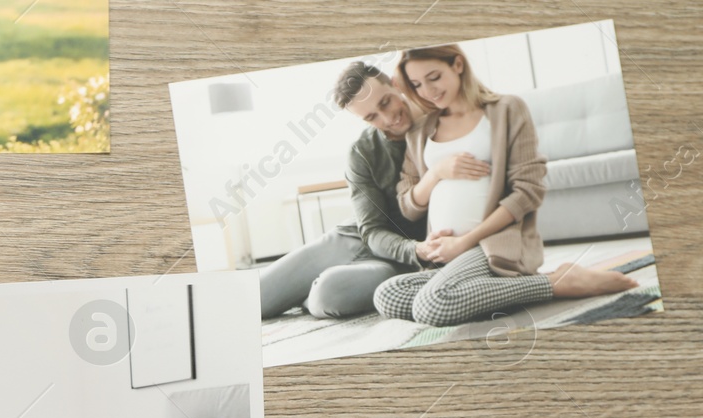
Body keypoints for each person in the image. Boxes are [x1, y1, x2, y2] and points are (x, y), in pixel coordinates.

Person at [373, 44, 638, 327]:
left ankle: (557, 283)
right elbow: (408, 206)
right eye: (416, 84)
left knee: (433, 307)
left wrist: (464, 242)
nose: (428, 91)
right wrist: (436, 172)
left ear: (458, 65)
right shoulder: (420, 131)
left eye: (434, 77)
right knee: (387, 294)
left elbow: (528, 192)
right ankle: (500, 289)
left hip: (490, 245)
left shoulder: (506, 110)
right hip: (444, 255)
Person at [257, 60, 434, 320]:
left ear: (396, 85)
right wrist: (414, 249)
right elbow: (371, 231)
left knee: (327, 295)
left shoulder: (444, 124)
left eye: (385, 102)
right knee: (253, 299)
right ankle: (307, 287)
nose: (387, 119)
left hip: (396, 263)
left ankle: (309, 295)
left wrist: (415, 252)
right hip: (353, 239)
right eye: (371, 117)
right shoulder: (362, 151)